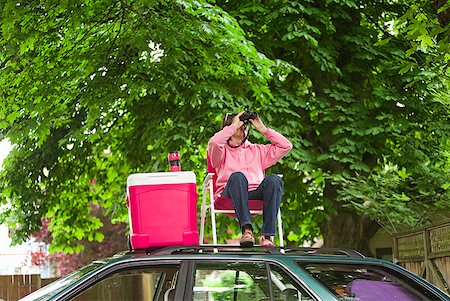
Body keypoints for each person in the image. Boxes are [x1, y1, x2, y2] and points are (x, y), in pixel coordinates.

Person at [208, 111, 293, 247]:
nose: (243, 126)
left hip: (254, 193)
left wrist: (262, 129)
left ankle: (267, 236)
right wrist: (234, 125)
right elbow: (214, 142)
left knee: (274, 179)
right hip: (230, 193)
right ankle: (247, 231)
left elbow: (286, 146)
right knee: (237, 176)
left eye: (244, 124)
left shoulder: (257, 150)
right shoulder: (221, 151)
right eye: (239, 123)